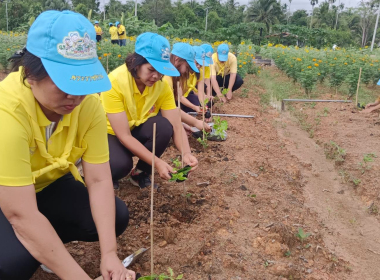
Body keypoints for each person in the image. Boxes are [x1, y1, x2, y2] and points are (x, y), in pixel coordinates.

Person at [0, 10, 135, 280]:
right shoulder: (7, 112)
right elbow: (20, 214)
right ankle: (34, 247)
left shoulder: (89, 106)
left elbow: (98, 180)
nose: (74, 96)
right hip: (8, 195)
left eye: (81, 81)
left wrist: (109, 253)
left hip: (45, 185)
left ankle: (46, 245)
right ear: (30, 71)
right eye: (64, 83)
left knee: (115, 215)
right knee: (14, 262)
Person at [101, 32, 199, 189]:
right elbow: (124, 136)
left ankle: (140, 173)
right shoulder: (114, 82)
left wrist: (186, 153)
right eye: (151, 69)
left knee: (163, 126)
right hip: (111, 133)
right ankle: (107, 174)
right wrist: (157, 162)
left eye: (160, 72)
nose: (156, 76)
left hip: (135, 129)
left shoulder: (161, 86)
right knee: (120, 165)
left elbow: (175, 124)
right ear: (135, 62)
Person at [162, 43, 211, 133]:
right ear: (177, 59)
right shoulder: (167, 79)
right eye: (187, 67)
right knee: (166, 127)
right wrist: (195, 122)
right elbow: (171, 108)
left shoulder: (176, 76)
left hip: (173, 103)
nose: (188, 71)